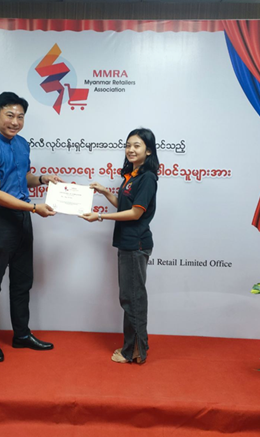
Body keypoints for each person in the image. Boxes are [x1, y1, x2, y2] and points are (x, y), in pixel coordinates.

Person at [0, 91, 61, 362]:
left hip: (22, 219)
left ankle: (21, 334)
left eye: (20, 117)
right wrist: (33, 207)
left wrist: (43, 179)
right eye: (9, 115)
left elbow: (22, 178)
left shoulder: (22, 143)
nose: (15, 122)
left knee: (23, 281)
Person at [81, 128, 159, 364]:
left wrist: (100, 216)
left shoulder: (147, 178)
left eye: (137, 145)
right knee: (129, 297)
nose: (131, 150)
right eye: (128, 145)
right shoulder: (132, 175)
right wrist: (106, 192)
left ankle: (134, 351)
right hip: (127, 243)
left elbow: (135, 213)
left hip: (136, 244)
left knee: (133, 298)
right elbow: (125, 206)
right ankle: (133, 347)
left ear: (148, 150)